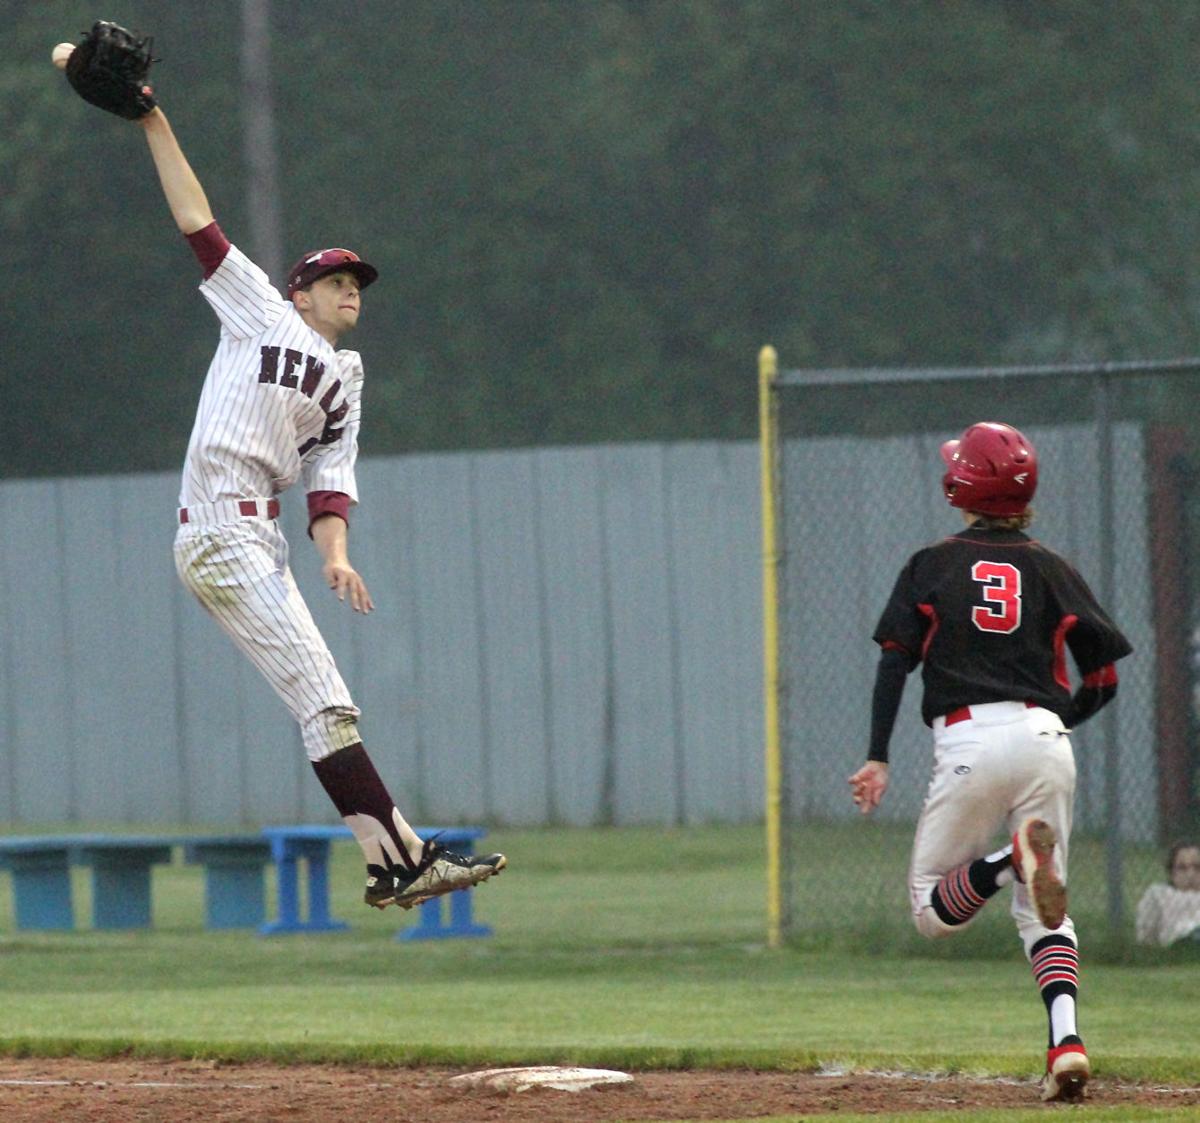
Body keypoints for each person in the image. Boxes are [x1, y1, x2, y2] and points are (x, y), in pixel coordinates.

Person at [119, 102, 506, 911]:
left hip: (262, 541)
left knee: (324, 703)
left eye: (356, 282)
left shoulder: (347, 381)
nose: (348, 291)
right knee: (324, 699)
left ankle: (391, 863)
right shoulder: (258, 309)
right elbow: (197, 219)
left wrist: (334, 553)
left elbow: (330, 481)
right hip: (219, 528)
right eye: (334, 280)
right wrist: (153, 120)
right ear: (299, 293)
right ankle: (402, 859)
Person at [848, 421, 1132, 1103]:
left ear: (962, 484)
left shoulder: (932, 564)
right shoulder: (1053, 567)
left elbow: (895, 661)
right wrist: (1048, 727)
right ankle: (1066, 1041)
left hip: (971, 740)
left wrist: (877, 755)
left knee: (930, 908)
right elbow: (1103, 681)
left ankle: (1007, 862)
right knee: (1046, 909)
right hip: (1044, 737)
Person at [1135, 841, 1200, 946]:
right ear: (1171, 873)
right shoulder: (1159, 894)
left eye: (1197, 867)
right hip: (1178, 940)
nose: (1191, 875)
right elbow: (1146, 935)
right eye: (1182, 868)